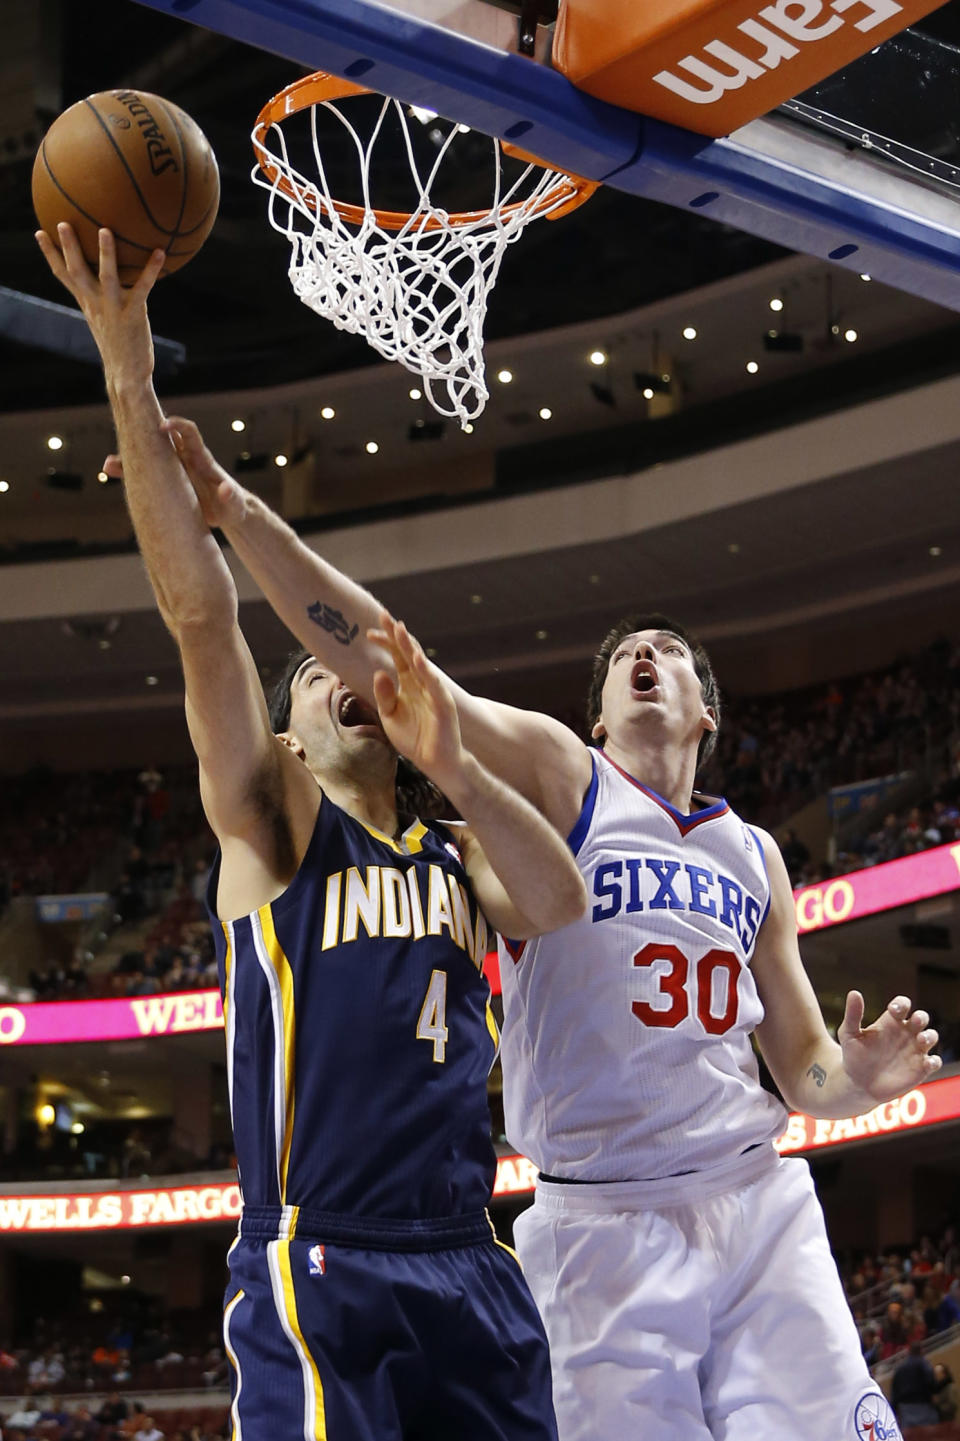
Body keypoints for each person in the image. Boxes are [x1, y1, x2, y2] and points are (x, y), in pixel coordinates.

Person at [72, 241, 941, 1440]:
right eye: (627, 652)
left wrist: (858, 1087)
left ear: (709, 710)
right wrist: (182, 443)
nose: (648, 655)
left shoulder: (511, 851)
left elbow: (579, 910)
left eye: (671, 653)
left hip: (530, 1243)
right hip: (414, 1239)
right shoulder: (298, 822)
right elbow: (231, 622)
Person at [37, 223, 591, 1440]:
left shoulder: (460, 849)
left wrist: (457, 764)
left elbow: (559, 905)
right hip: (324, 1263)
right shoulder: (275, 821)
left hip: (472, 1256)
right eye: (313, 679)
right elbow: (198, 616)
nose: (345, 681)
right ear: (288, 735)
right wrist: (127, 366)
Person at [891, 1342, 939, 1427]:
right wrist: (933, 1393)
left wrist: (894, 1408)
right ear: (921, 1351)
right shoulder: (923, 1363)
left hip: (905, 1408)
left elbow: (894, 1389)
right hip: (923, 1404)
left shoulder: (900, 1368)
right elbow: (930, 1380)